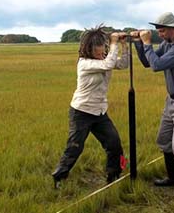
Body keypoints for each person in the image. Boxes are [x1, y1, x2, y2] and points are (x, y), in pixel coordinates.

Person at [130, 12, 174, 204]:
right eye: (158, 32)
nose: (159, 35)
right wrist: (139, 42)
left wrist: (146, 43)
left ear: (173, 28)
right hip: (172, 101)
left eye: (162, 31)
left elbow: (157, 65)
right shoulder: (168, 44)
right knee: (164, 141)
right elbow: (147, 62)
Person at [52, 25, 128, 188]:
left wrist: (123, 45)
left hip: (100, 112)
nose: (101, 56)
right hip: (81, 112)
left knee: (113, 143)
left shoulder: (105, 59)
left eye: (103, 52)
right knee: (75, 147)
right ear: (88, 51)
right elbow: (108, 65)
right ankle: (59, 178)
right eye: (97, 53)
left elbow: (122, 64)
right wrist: (114, 42)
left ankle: (113, 176)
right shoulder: (84, 63)